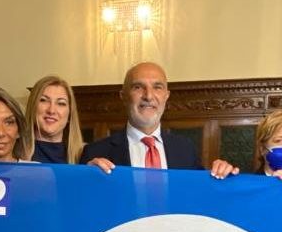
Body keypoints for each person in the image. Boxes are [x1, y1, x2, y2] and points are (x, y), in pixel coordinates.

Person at [79, 62, 238, 179]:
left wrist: (223, 175)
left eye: (157, 87)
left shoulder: (185, 149)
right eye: (138, 87)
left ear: (166, 96)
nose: (148, 96)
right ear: (124, 96)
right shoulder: (95, 153)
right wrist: (85, 178)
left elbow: (200, 196)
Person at [26, 75, 85, 164]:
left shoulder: (84, 155)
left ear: (70, 114)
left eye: (61, 103)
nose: (51, 110)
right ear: (32, 107)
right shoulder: (13, 151)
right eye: (43, 100)